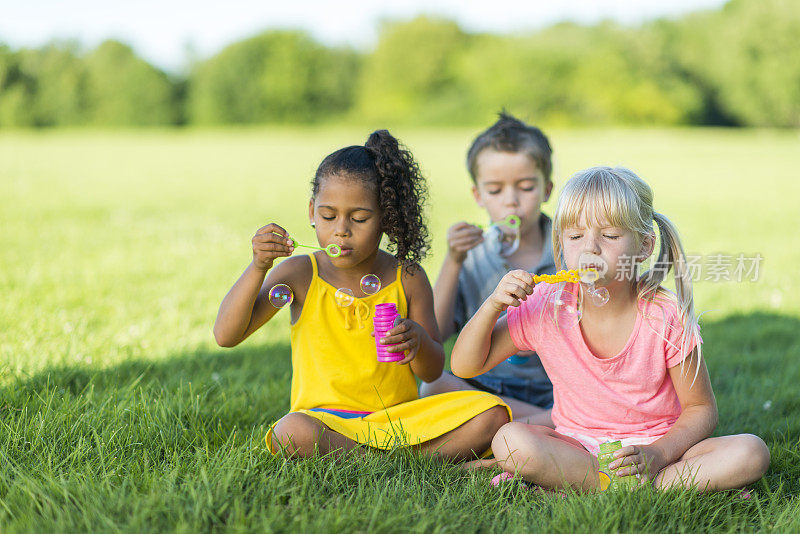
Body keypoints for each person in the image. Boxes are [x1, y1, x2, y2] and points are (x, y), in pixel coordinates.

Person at [450, 166, 770, 491]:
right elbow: (465, 365)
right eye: (575, 237)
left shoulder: (665, 314)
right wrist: (492, 306)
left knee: (750, 452)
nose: (590, 248)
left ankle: (579, 484)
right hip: (576, 445)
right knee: (509, 440)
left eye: (611, 236)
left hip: (659, 449)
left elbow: (701, 409)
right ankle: (640, 487)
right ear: (561, 244)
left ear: (644, 246)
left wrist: (657, 454)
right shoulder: (546, 305)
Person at [214, 129, 510, 460]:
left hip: (399, 421)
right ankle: (413, 461)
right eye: (328, 215)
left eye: (359, 218)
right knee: (290, 431)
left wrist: (417, 342)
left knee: (493, 412)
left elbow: (431, 371)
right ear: (312, 212)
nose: (341, 229)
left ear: (387, 217)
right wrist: (258, 267)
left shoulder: (408, 277)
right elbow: (226, 335)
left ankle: (381, 458)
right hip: (324, 421)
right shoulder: (298, 274)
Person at [420, 112, 556, 426]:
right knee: (434, 386)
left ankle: (507, 424)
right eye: (495, 191)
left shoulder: (570, 249)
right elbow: (435, 333)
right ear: (478, 196)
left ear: (547, 189)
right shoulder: (473, 254)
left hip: (559, 386)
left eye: (525, 187)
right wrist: (453, 260)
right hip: (491, 386)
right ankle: (545, 424)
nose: (511, 201)